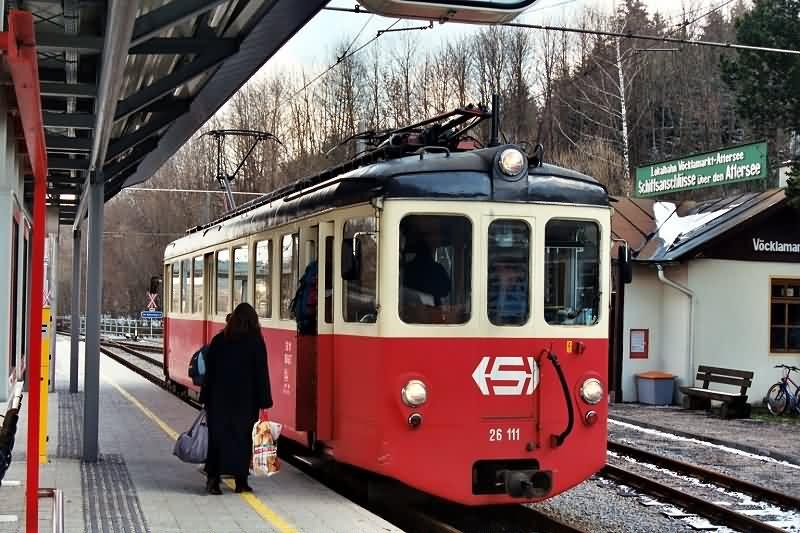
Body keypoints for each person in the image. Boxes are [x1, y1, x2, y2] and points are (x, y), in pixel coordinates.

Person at [199, 302, 272, 495]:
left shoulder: (219, 341)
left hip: (218, 401)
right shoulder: (256, 342)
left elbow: (209, 374)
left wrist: (205, 399)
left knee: (218, 440)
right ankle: (241, 482)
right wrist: (265, 401)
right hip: (245, 403)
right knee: (242, 440)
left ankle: (213, 481)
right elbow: (261, 374)